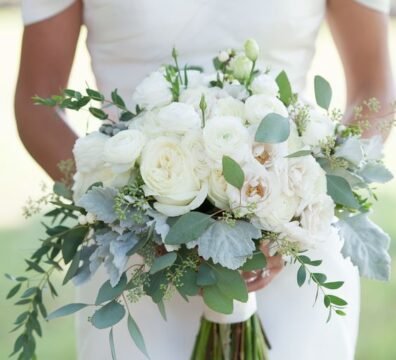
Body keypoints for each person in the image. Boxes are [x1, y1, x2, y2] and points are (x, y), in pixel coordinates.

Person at [15, 1, 394, 359]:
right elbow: (37, 104)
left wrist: (295, 210)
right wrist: (134, 216)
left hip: (292, 250)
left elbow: (373, 88)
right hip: (136, 264)